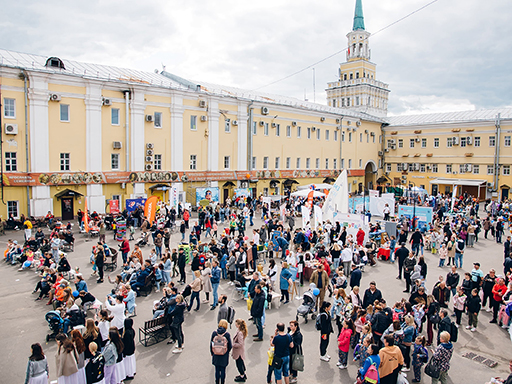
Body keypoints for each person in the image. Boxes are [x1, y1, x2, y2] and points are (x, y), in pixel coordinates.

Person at [210, 319, 233, 384]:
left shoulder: (214, 333)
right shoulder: (227, 334)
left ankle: (217, 382)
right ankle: (222, 382)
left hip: (216, 354)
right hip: (224, 355)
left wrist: (212, 352)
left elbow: (211, 344)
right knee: (223, 370)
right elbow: (230, 346)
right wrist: (227, 351)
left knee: (217, 370)